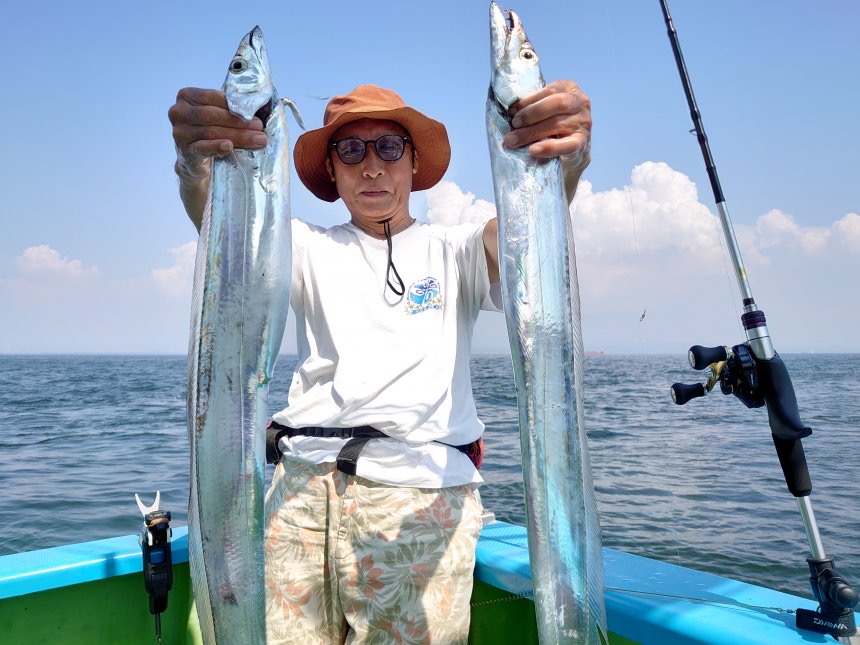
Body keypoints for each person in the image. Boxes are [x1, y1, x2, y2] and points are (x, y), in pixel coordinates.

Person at [169, 80, 591, 644]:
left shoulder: (458, 248)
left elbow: (526, 230)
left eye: (389, 147)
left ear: (413, 162)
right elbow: (224, 221)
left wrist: (561, 165)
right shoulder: (302, 245)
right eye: (351, 151)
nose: (371, 167)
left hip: (420, 495)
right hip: (298, 492)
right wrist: (194, 166)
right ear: (332, 170)